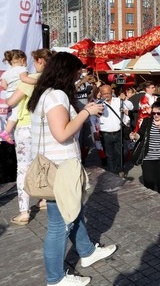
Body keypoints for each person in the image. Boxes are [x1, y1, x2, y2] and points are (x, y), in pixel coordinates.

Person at [27, 52, 117, 286]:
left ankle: (86, 252)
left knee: (73, 213)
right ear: (65, 72)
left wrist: (82, 107)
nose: (77, 78)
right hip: (60, 168)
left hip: (58, 165)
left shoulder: (46, 94)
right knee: (60, 225)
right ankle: (55, 278)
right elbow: (63, 133)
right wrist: (87, 113)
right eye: (76, 74)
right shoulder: (55, 96)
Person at [6, 49, 52, 225]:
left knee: (23, 168)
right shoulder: (51, 81)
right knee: (40, 164)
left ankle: (24, 212)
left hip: (25, 126)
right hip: (44, 126)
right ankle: (44, 199)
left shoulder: (30, 79)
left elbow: (11, 101)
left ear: (40, 61)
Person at [129, 101, 160, 195]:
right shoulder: (147, 121)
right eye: (153, 113)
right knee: (149, 181)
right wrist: (135, 136)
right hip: (148, 156)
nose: (156, 115)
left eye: (158, 113)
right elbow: (140, 134)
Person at [0, 49, 38, 143]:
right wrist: (37, 82)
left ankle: (8, 131)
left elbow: (4, 86)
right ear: (22, 59)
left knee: (13, 113)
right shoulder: (22, 69)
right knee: (16, 113)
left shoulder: (5, 73)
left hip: (8, 94)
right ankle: (6, 132)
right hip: (16, 93)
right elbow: (24, 79)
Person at [97, 84, 133, 176]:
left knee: (121, 152)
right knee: (109, 155)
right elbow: (93, 119)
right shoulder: (98, 104)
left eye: (108, 93)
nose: (106, 95)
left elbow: (130, 106)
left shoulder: (118, 101)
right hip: (105, 133)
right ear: (101, 94)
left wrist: (124, 99)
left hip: (118, 131)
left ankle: (119, 169)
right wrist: (94, 131)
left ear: (111, 92)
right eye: (104, 93)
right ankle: (113, 173)